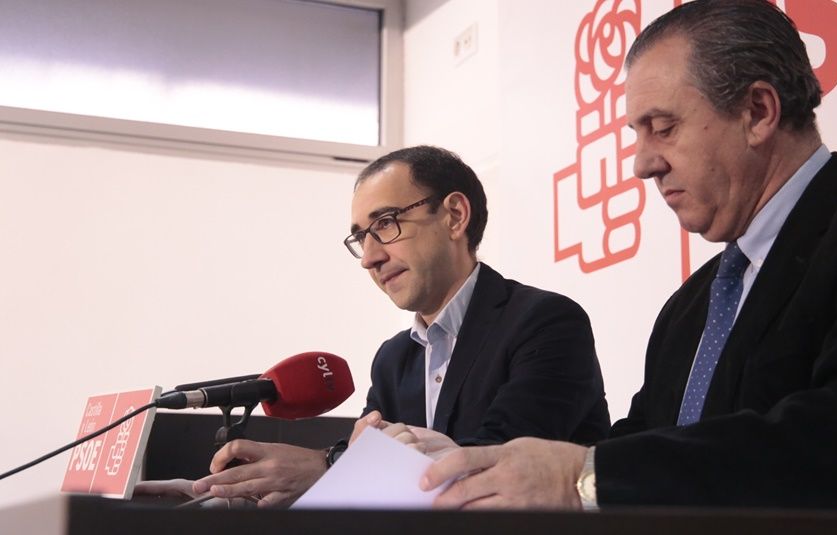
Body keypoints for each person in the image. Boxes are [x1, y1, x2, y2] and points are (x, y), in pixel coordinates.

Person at [420, 0, 837, 510]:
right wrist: (475, 468)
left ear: (758, 111)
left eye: (664, 128)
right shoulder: (691, 305)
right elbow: (646, 442)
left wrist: (581, 480)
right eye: (637, 134)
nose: (642, 165)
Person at [154, 145, 610, 508]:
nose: (370, 257)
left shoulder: (545, 322)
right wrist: (233, 496)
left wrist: (327, 465)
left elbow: (492, 465)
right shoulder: (394, 359)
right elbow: (369, 480)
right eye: (360, 237)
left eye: (386, 224)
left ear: (455, 216)